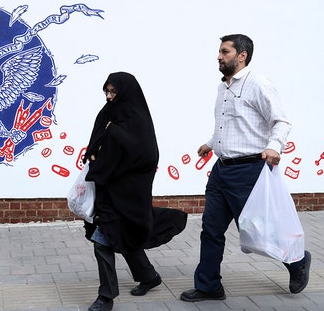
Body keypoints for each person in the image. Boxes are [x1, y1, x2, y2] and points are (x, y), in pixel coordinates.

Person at [180, 34, 311, 302]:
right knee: (211, 229)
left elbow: (281, 122)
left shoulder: (258, 84)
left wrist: (275, 146)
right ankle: (208, 286)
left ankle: (297, 262)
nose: (219, 56)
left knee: (258, 230)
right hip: (221, 171)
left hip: (248, 171)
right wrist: (210, 143)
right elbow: (230, 125)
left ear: (242, 55)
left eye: (225, 51)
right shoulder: (223, 87)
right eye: (219, 51)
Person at [83, 72, 187, 311]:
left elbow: (147, 156)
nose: (109, 97)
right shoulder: (108, 114)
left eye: (114, 92)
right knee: (116, 234)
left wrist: (106, 158)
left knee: (109, 237)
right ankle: (147, 277)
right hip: (107, 189)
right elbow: (96, 143)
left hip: (129, 191)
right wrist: (93, 155)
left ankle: (105, 297)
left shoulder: (138, 120)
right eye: (106, 92)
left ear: (126, 92)